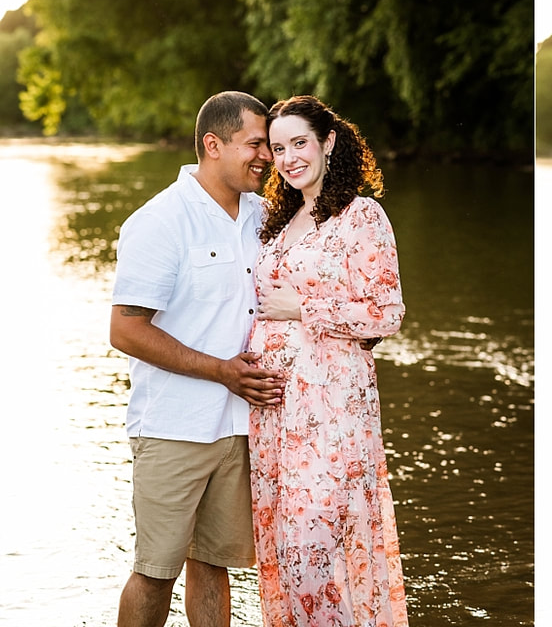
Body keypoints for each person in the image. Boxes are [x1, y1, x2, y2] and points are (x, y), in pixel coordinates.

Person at [110, 90, 285, 627]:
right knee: (156, 570)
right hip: (173, 425)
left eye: (269, 146)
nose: (267, 157)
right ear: (213, 144)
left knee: (214, 566)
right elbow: (125, 330)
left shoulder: (264, 216)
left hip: (239, 427)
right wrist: (221, 372)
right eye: (255, 144)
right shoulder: (161, 221)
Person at [248, 95, 408, 626]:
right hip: (275, 411)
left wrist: (305, 307)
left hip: (333, 408)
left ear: (328, 143)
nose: (290, 157)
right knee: (287, 548)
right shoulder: (279, 220)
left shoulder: (361, 215)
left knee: (319, 534)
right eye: (278, 148)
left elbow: (386, 314)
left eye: (300, 143)